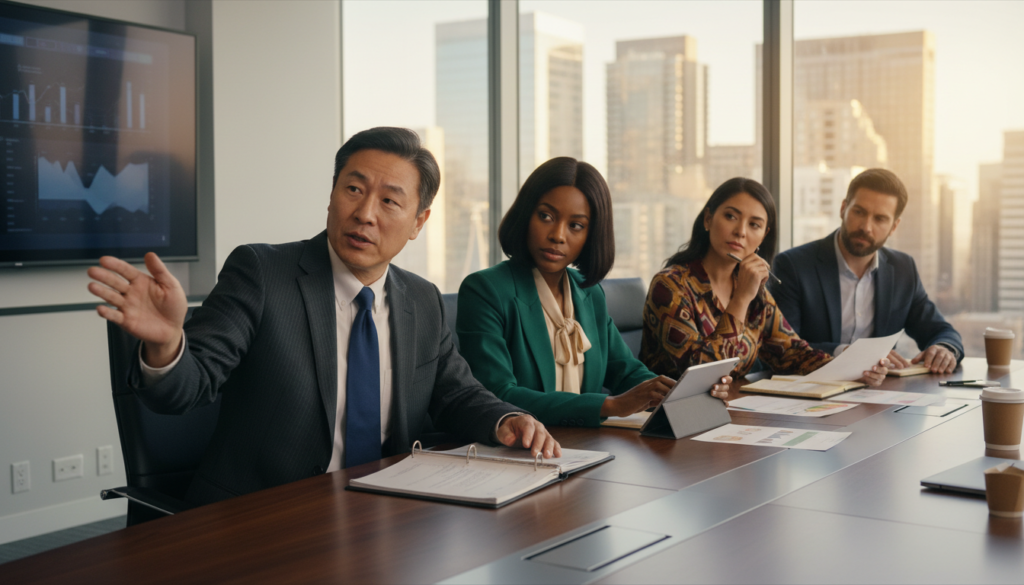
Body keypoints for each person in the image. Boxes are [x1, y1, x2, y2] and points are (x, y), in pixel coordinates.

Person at [86, 127, 560, 507]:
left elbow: (457, 393)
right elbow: (187, 388)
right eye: (353, 189)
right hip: (264, 517)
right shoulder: (262, 273)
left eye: (390, 201)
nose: (365, 213)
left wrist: (506, 419)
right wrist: (169, 345)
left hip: (390, 513)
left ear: (419, 222)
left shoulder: (422, 299)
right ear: (332, 194)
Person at [456, 158, 730, 428]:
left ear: (591, 235)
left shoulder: (588, 292)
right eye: (546, 216)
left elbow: (625, 370)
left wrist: (685, 393)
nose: (558, 235)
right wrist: (609, 405)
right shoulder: (485, 290)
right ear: (526, 215)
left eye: (576, 225)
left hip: (584, 448)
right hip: (519, 453)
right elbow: (498, 395)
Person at [640, 177, 889, 398]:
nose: (740, 231)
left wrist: (858, 370)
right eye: (730, 216)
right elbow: (701, 373)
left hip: (730, 415)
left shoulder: (751, 287)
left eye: (754, 225)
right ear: (708, 219)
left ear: (763, 236)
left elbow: (792, 353)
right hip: (667, 422)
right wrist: (741, 300)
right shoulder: (671, 285)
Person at [770, 168, 964, 374]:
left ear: (894, 226)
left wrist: (944, 349)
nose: (866, 227)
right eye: (859, 212)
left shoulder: (903, 269)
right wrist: (847, 353)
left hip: (878, 395)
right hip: (809, 391)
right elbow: (782, 346)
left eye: (880, 219)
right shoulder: (793, 266)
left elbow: (940, 330)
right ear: (843, 208)